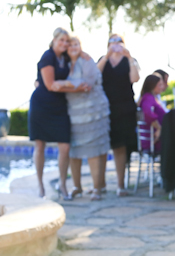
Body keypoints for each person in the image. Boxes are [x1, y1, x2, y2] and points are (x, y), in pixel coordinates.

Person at [29, 27, 90, 200]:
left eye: (66, 41)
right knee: (40, 146)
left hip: (60, 106)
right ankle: (41, 187)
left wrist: (83, 54)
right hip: (42, 105)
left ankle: (63, 184)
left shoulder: (65, 58)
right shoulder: (47, 56)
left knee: (65, 147)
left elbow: (60, 84)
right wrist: (76, 88)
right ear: (54, 40)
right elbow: (50, 85)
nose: (64, 43)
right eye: (61, 40)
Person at [54, 36, 110, 201]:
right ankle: (76, 186)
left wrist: (64, 83)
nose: (73, 47)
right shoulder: (63, 63)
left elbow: (88, 83)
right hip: (72, 113)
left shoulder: (87, 61)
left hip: (93, 113)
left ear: (81, 46)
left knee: (94, 150)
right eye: (70, 45)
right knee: (74, 151)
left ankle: (96, 188)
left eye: (76, 44)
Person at [97, 34, 140, 197]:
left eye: (119, 42)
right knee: (101, 147)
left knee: (120, 147)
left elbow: (134, 78)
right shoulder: (103, 60)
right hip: (104, 108)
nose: (116, 45)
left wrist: (129, 58)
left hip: (125, 110)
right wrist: (106, 56)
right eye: (112, 42)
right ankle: (99, 184)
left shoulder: (130, 60)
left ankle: (120, 185)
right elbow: (95, 76)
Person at [137, 74, 166, 153]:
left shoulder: (152, 97)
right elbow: (148, 113)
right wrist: (159, 128)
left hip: (157, 138)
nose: (162, 87)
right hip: (155, 140)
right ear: (152, 85)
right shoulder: (148, 98)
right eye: (159, 85)